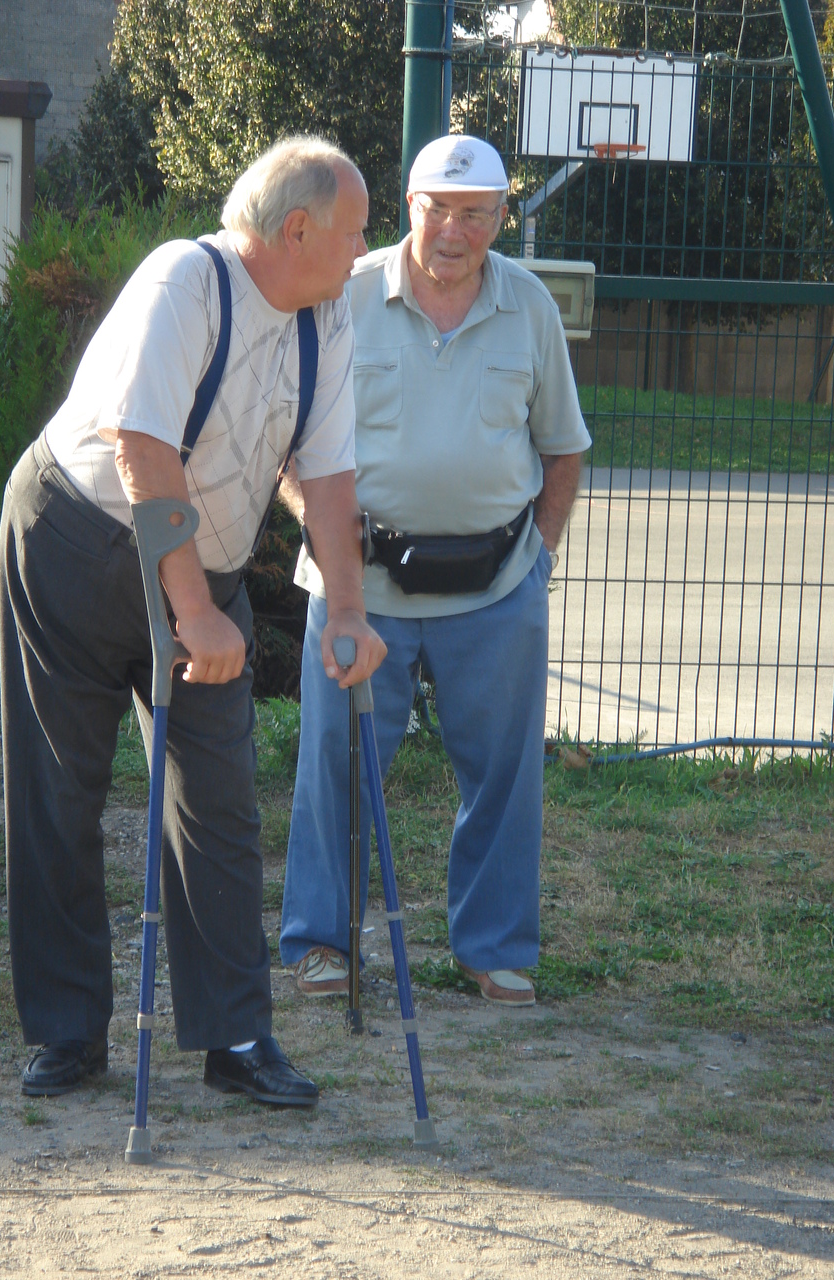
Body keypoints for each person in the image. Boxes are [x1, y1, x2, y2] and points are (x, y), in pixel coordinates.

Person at [0, 136, 385, 1101]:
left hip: (195, 557)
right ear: (297, 229)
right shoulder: (186, 278)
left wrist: (347, 609)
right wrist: (193, 615)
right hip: (78, 537)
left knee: (218, 796)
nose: (363, 251)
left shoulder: (325, 316)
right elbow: (143, 449)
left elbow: (327, 473)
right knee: (61, 783)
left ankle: (236, 1040)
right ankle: (65, 1030)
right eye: (355, 231)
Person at [279, 134, 591, 1006]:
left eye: (475, 214)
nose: (454, 232)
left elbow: (563, 450)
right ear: (407, 207)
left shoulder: (528, 308)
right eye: (437, 210)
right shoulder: (343, 296)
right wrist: (329, 544)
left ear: (501, 217)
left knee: (503, 773)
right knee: (335, 766)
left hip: (496, 588)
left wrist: (539, 565)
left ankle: (493, 950)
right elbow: (289, 449)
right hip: (359, 588)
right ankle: (319, 944)